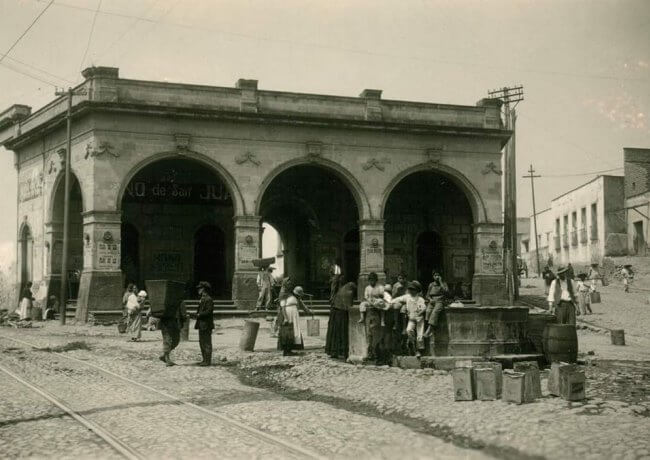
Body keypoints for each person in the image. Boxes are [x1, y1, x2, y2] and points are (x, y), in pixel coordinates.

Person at [391, 281, 427, 357]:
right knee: (409, 330)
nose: (411, 291)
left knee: (420, 335)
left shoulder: (420, 299)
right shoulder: (407, 297)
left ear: (417, 291)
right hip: (411, 319)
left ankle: (419, 350)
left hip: (419, 319)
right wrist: (391, 302)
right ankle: (414, 347)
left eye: (413, 289)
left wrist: (420, 312)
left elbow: (424, 307)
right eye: (410, 289)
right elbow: (399, 299)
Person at [278, 286, 313, 356]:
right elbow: (283, 308)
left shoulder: (297, 298)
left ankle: (290, 349)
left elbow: (303, 306)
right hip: (288, 315)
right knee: (287, 331)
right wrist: (285, 318)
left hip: (294, 316)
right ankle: (286, 350)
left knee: (294, 331)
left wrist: (309, 311)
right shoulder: (285, 296)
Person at [325, 282, 356, 360]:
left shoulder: (341, 290)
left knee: (334, 333)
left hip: (334, 313)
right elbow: (349, 306)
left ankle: (333, 351)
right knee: (342, 332)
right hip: (341, 314)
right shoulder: (350, 292)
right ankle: (343, 351)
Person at [159, 294, 184, 367]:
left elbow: (182, 313)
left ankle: (164, 356)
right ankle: (167, 359)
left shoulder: (180, 301)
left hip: (175, 323)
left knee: (176, 340)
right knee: (167, 340)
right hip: (166, 323)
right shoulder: (164, 301)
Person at [194, 281, 214, 366]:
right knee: (202, 342)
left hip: (206, 324)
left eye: (200, 288)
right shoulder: (202, 298)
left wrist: (199, 314)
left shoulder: (208, 299)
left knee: (206, 342)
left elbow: (209, 311)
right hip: (201, 324)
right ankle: (204, 359)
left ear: (204, 289)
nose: (198, 290)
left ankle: (207, 361)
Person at [424, 271, 449, 338]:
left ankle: (429, 330)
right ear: (433, 276)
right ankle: (431, 329)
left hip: (440, 301)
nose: (437, 277)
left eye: (438, 275)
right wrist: (430, 299)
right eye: (435, 275)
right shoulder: (431, 285)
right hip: (432, 301)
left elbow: (446, 292)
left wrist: (441, 282)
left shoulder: (443, 284)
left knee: (435, 312)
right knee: (427, 311)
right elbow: (427, 295)